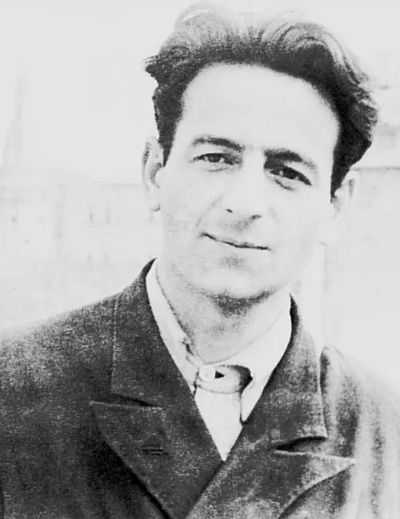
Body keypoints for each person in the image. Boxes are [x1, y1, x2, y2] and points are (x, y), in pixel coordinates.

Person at [0, 3, 399, 518]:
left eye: (287, 172)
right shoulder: (14, 389)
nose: (246, 203)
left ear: (335, 206)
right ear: (155, 172)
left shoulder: (383, 433)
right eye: (216, 158)